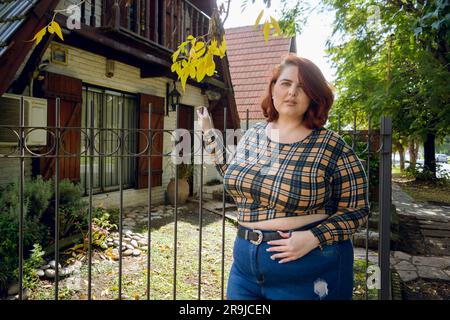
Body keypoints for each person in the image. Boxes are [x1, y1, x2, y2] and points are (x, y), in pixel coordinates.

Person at [196, 54, 369, 300]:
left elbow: (357, 210)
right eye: (286, 83)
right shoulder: (254, 134)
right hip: (245, 270)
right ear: (273, 88)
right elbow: (231, 172)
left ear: (313, 97)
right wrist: (208, 131)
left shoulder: (331, 145)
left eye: (302, 87)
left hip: (308, 269)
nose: (292, 92)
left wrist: (314, 238)